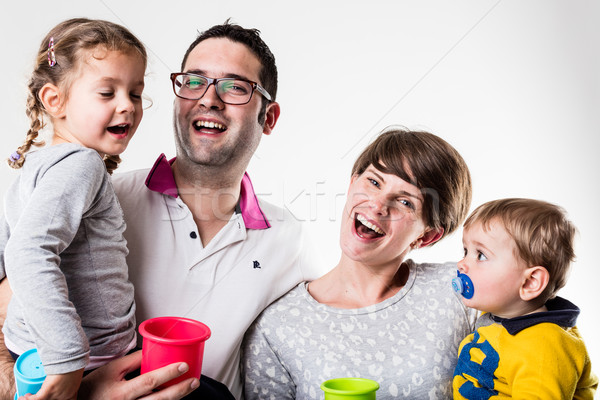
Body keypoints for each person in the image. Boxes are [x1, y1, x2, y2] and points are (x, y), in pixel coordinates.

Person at [242, 127, 478, 399]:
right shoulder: (278, 325)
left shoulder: (460, 290)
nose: (378, 205)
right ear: (352, 183)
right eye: (374, 182)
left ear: (426, 237)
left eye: (405, 201)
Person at [0, 18, 146, 399]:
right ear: (54, 100)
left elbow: (4, 248)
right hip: (87, 359)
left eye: (135, 92)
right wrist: (66, 361)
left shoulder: (35, 165)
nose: (126, 106)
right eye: (106, 92)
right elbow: (24, 251)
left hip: (29, 350)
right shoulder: (82, 164)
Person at [452, 198, 598, 399]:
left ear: (530, 282)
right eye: (465, 251)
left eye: (481, 255)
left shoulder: (544, 349)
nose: (461, 263)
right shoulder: (499, 314)